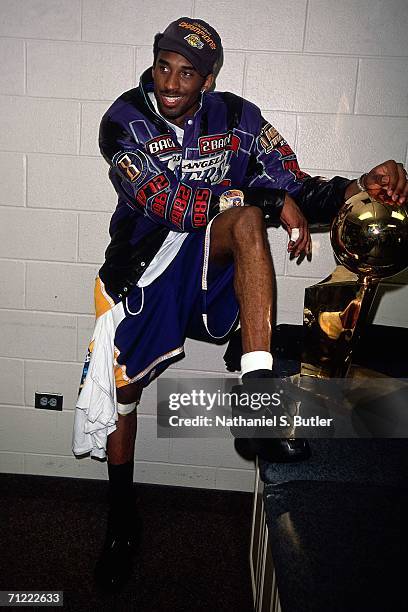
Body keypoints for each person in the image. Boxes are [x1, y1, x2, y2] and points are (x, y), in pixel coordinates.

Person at [72, 17, 408, 591]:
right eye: (163, 67)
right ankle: (121, 521)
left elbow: (299, 188)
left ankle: (257, 395)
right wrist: (273, 198)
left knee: (250, 219)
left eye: (187, 73)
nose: (171, 83)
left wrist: (361, 185)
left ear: (208, 79)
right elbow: (169, 202)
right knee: (121, 398)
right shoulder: (122, 120)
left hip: (214, 258)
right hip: (144, 268)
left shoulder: (239, 119)